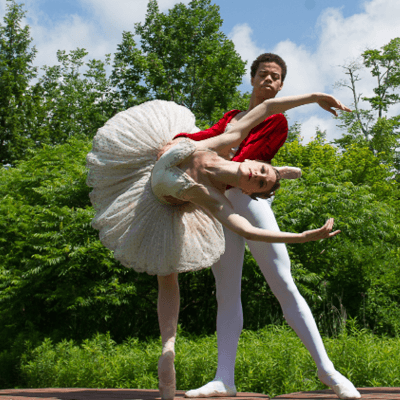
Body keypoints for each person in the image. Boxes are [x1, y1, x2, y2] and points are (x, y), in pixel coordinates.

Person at [86, 90, 350, 400]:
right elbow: (266, 107)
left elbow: (245, 228)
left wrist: (301, 238)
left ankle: (169, 346)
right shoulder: (223, 142)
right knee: (173, 276)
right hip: (146, 174)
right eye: (262, 169)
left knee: (166, 272)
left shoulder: (210, 196)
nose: (256, 173)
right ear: (253, 159)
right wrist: (316, 96)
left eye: (260, 181)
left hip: (165, 203)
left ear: (249, 190)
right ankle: (180, 352)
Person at [180, 54, 361, 400]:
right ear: (252, 79)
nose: (269, 80)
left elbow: (244, 161)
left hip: (250, 202)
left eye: (276, 77)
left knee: (284, 284)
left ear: (280, 86)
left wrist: (214, 156)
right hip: (220, 205)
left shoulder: (276, 121)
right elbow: (203, 138)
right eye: (263, 74)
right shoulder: (232, 117)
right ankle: (224, 378)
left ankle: (327, 370)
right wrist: (177, 142)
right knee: (226, 291)